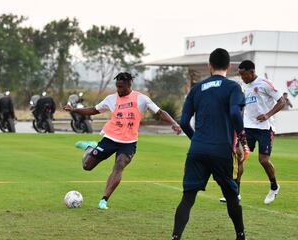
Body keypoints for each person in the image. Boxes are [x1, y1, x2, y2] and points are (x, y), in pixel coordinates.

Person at [64, 72, 181, 210]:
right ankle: (91, 147)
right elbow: (94, 110)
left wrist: (174, 123)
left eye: (122, 87)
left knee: (119, 165)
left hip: (129, 143)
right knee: (87, 166)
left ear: (129, 84)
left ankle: (104, 200)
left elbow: (160, 112)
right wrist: (75, 110)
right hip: (110, 139)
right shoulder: (111, 99)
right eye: (117, 86)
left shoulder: (141, 99)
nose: (119, 90)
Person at [172, 48, 249, 240]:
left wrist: (196, 139)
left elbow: (183, 122)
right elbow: (234, 113)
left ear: (209, 66)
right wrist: (242, 138)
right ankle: (240, 236)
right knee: (231, 195)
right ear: (229, 67)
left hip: (197, 148)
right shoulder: (233, 87)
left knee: (188, 197)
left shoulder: (196, 89)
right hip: (221, 149)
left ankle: (175, 237)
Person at [238, 60, 286, 204]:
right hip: (248, 127)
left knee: (263, 160)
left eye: (243, 74)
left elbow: (282, 101)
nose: (242, 77)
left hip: (265, 128)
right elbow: (242, 107)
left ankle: (274, 186)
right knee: (239, 156)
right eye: (240, 75)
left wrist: (267, 115)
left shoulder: (265, 83)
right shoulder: (243, 86)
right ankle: (235, 193)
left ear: (251, 72)